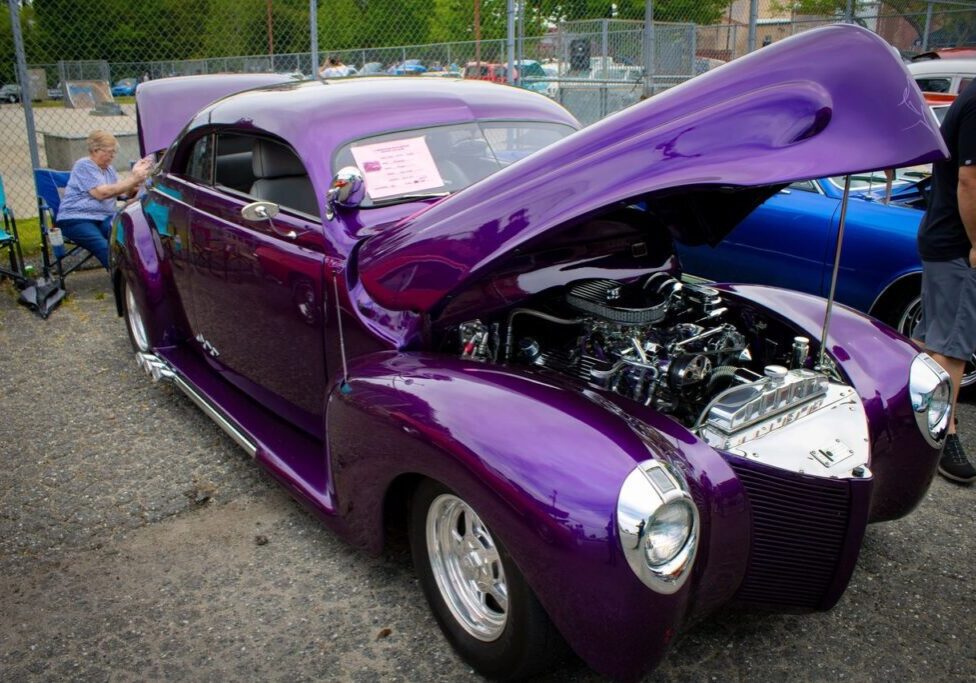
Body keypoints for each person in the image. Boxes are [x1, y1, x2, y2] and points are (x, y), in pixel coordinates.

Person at [915, 79, 976, 485]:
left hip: (946, 240)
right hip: (957, 245)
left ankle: (911, 425)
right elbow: (969, 181)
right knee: (951, 350)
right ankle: (941, 438)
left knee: (928, 344)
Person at [55, 130, 152, 269]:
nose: (112, 156)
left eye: (114, 152)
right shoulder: (84, 165)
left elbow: (121, 192)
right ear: (95, 150)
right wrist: (133, 179)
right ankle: (125, 280)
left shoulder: (109, 170)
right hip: (76, 219)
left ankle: (142, 270)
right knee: (103, 246)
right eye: (109, 152)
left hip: (103, 218)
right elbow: (102, 193)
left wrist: (137, 185)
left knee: (126, 235)